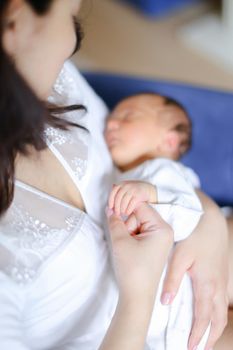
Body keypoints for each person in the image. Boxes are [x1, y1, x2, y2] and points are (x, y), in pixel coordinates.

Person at [0, 0, 229, 349]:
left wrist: (208, 223)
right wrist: (139, 295)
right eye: (71, 18)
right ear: (15, 19)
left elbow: (150, 169)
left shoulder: (50, 77)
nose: (73, 45)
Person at [105, 93, 203, 243]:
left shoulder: (163, 169)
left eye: (127, 116)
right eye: (109, 119)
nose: (110, 124)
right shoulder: (114, 172)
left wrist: (150, 193)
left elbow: (189, 215)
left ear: (169, 141)